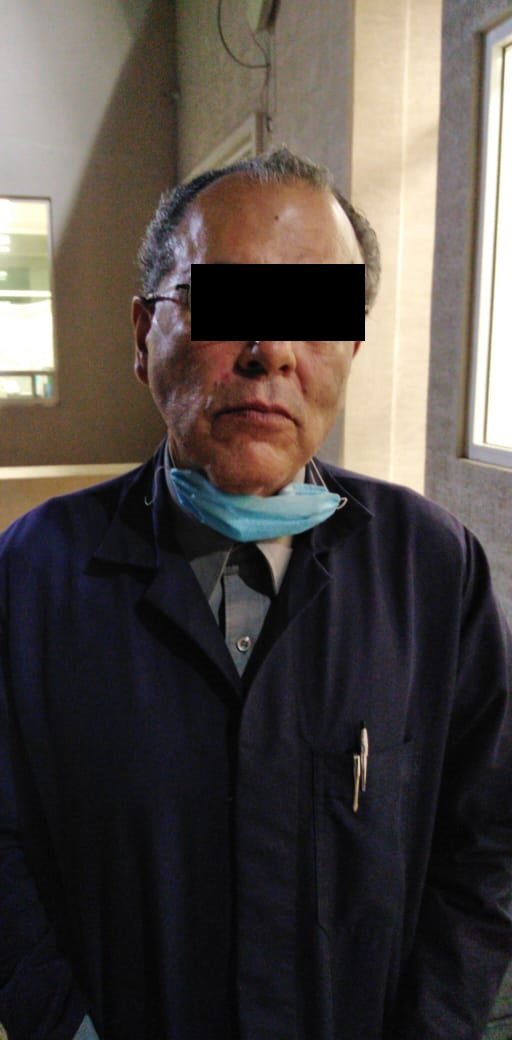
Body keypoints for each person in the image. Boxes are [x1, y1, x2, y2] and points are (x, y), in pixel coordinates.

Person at [0, 147, 511, 1040]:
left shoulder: (432, 571)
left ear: (350, 347)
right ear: (143, 335)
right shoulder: (33, 576)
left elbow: (485, 847)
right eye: (222, 304)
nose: (267, 351)